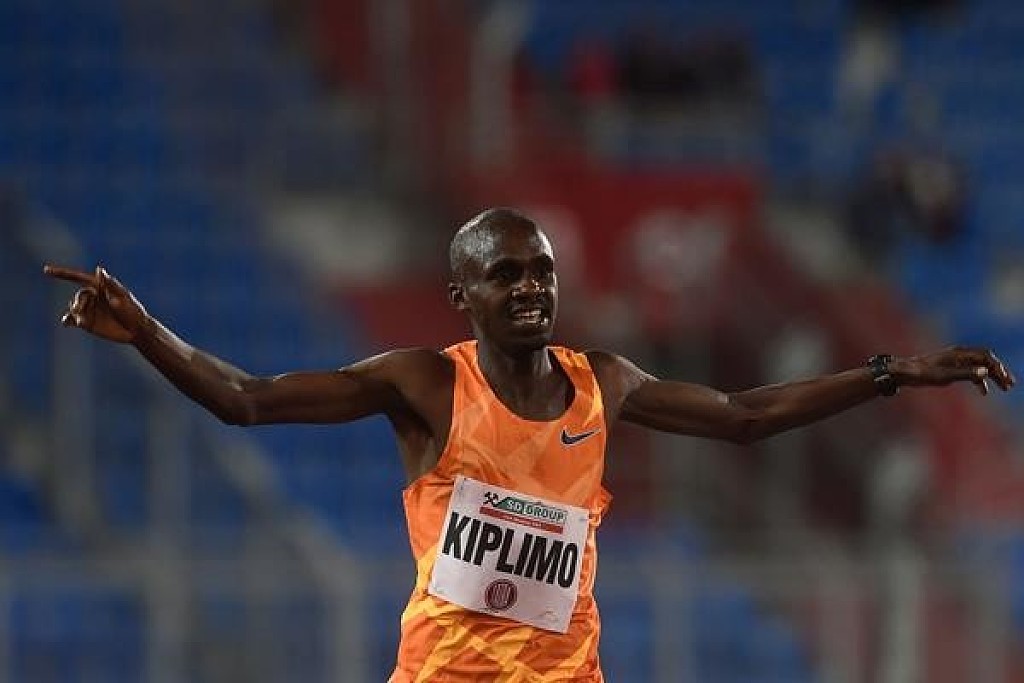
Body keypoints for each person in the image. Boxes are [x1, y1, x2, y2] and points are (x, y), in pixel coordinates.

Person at [45, 207, 1014, 681]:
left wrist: (889, 371)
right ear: (461, 295)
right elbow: (248, 401)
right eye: (505, 274)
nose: (530, 288)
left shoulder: (604, 382)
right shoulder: (426, 382)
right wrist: (148, 331)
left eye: (541, 271)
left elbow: (743, 413)